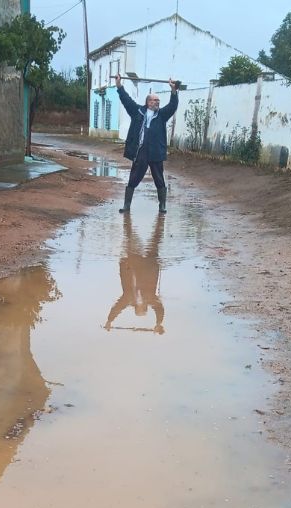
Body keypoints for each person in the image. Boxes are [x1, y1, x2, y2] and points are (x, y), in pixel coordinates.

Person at [114, 74, 180, 214]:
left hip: (156, 152)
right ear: (148, 102)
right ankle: (127, 206)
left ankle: (162, 206)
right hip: (141, 151)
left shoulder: (162, 115)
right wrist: (119, 86)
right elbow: (126, 100)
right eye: (155, 100)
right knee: (133, 178)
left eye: (158, 101)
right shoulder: (137, 111)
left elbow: (173, 106)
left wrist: (173, 91)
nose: (157, 102)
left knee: (159, 179)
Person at [106, 213, 166, 333]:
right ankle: (158, 224)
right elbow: (159, 309)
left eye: (139, 306)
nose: (140, 303)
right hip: (149, 265)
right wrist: (159, 323)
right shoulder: (151, 299)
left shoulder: (128, 299)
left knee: (130, 239)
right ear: (145, 306)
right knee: (155, 240)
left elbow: (117, 308)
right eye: (142, 306)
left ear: (135, 306)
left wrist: (109, 321)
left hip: (135, 264)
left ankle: (128, 223)